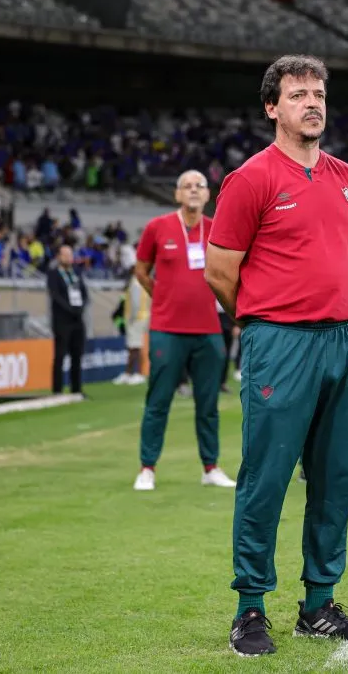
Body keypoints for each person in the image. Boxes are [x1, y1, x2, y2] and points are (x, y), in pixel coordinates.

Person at [205, 54, 348, 658]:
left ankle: (319, 605)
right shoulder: (250, 179)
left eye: (319, 93)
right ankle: (250, 608)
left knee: (337, 479)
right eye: (299, 93)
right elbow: (221, 273)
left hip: (346, 340)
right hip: (280, 342)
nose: (313, 103)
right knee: (266, 477)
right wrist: (266, 322)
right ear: (272, 107)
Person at [132, 170, 235, 491]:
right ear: (177, 194)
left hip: (207, 330)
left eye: (199, 186)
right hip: (167, 329)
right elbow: (141, 269)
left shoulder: (217, 229)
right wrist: (161, 297)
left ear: (208, 196)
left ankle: (211, 467)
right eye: (187, 186)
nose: (193, 190)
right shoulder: (157, 227)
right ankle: (147, 468)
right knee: (158, 401)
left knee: (208, 404)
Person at [47, 243, 88, 394]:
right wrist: (70, 309)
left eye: (70, 255)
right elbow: (55, 295)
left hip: (77, 319)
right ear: (58, 257)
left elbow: (84, 293)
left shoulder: (76, 273)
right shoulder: (53, 274)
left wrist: (80, 308)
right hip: (62, 320)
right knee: (60, 356)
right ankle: (57, 390)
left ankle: (76, 389)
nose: (69, 258)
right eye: (65, 255)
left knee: (77, 355)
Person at [113, 266, 149, 386]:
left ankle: (137, 373)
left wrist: (132, 318)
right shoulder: (141, 281)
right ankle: (129, 373)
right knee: (133, 346)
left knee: (135, 346)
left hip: (136, 319)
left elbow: (135, 303)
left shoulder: (135, 283)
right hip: (140, 317)